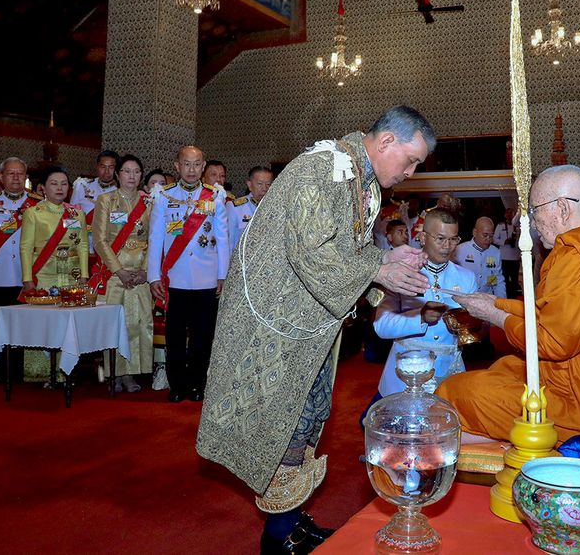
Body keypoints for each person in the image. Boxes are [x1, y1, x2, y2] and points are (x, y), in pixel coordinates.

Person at [197, 105, 435, 554]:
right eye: (410, 160)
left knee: (304, 420)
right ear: (385, 142)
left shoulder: (359, 181)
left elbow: (348, 252)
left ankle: (290, 519)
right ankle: (278, 536)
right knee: (281, 423)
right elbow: (312, 249)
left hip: (308, 320)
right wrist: (379, 270)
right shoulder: (321, 169)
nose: (411, 172)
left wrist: (386, 261)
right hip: (274, 321)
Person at [436, 165, 580, 444]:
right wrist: (496, 303)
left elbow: (554, 342)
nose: (533, 223)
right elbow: (550, 313)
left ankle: (515, 444)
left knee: (456, 390)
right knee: (505, 367)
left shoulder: (578, 255)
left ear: (561, 208)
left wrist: (497, 317)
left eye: (535, 211)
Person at [147, 145, 229, 403]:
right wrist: (153, 277)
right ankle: (177, 385)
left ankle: (197, 384)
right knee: (174, 335)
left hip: (206, 277)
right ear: (177, 166)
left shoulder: (215, 196)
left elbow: (223, 238)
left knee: (202, 336)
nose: (191, 170)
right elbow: (156, 238)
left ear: (203, 166)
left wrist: (222, 274)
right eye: (186, 164)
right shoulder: (164, 196)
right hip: (176, 277)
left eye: (196, 164)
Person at [374, 209, 477, 397]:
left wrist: (471, 323)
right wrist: (419, 317)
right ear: (422, 237)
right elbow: (381, 326)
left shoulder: (466, 278)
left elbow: (472, 331)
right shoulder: (401, 272)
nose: (447, 246)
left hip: (449, 374)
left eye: (453, 239)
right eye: (440, 238)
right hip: (404, 375)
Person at [20, 167, 89, 382]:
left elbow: (84, 246)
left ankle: (67, 371)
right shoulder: (33, 213)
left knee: (70, 325)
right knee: (45, 324)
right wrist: (27, 279)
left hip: (71, 275)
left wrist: (85, 276)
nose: (60, 188)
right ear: (43, 188)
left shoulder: (76, 214)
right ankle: (41, 373)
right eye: (54, 183)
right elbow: (25, 247)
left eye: (64, 184)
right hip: (45, 275)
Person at [92, 155, 153, 393]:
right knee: (116, 324)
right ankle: (113, 373)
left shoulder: (150, 202)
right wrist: (118, 270)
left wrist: (145, 270)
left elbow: (154, 238)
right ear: (118, 174)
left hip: (139, 273)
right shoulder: (106, 200)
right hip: (114, 273)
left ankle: (132, 373)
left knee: (138, 323)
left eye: (137, 172)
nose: (131, 176)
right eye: (127, 171)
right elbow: (99, 239)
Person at [0, 157, 41, 383]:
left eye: (20, 174)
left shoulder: (37, 203)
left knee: (25, 326)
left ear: (26, 178)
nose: (15, 177)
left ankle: (22, 371)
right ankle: (0, 371)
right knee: (0, 325)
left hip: (28, 276)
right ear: (2, 178)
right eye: (10, 174)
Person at [70, 150, 120, 253]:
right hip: (84, 244)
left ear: (116, 169)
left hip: (110, 245)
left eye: (111, 167)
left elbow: (121, 223)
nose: (106, 171)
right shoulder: (83, 186)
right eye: (103, 167)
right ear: (97, 166)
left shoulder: (120, 191)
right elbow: (72, 217)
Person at [453, 216, 506, 298]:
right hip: (465, 297)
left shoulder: (495, 252)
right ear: (475, 232)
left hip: (486, 298)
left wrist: (502, 301)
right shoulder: (460, 250)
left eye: (491, 236)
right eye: (485, 235)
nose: (488, 239)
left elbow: (498, 280)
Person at [226, 166, 274, 254]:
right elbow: (229, 243)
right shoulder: (235, 208)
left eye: (268, 184)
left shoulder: (275, 208)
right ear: (249, 185)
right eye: (260, 184)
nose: (264, 189)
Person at [493, 207, 521, 297]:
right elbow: (494, 239)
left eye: (511, 214)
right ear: (505, 215)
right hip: (504, 257)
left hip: (515, 257)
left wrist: (516, 240)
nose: (509, 216)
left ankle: (514, 297)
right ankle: (505, 296)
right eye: (508, 213)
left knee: (514, 279)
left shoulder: (519, 227)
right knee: (504, 278)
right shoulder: (501, 226)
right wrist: (504, 241)